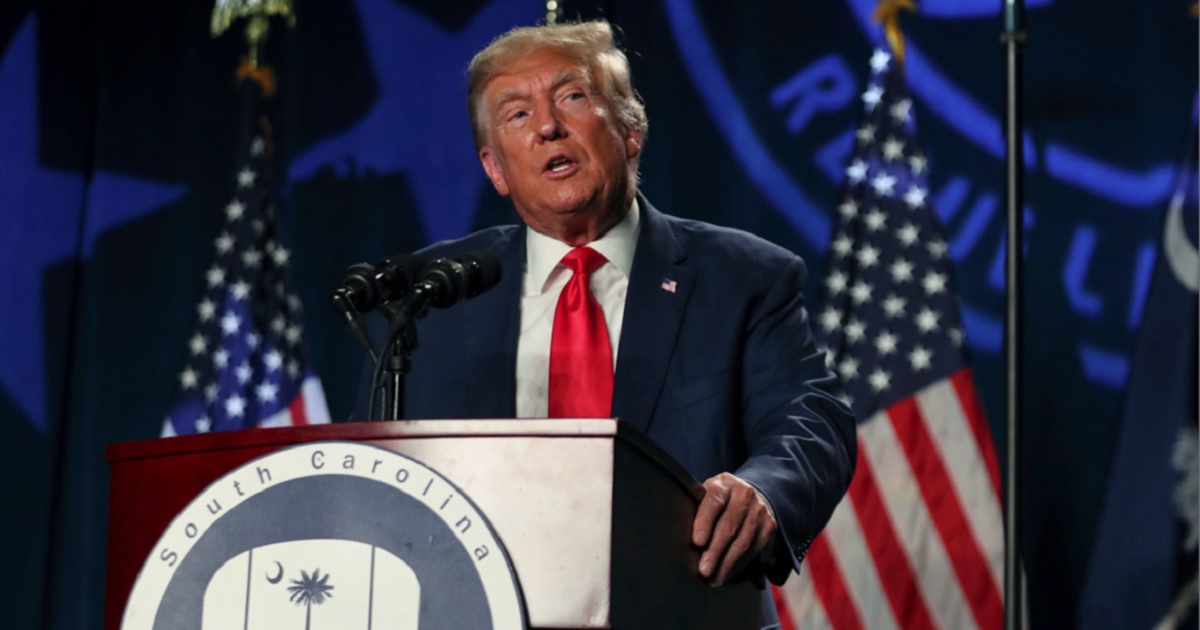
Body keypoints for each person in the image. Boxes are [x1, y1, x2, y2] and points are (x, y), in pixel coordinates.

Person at [366, 20, 856, 628]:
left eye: (571, 97)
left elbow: (811, 423)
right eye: (517, 115)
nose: (547, 126)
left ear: (631, 130)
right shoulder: (436, 297)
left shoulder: (742, 278)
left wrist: (764, 491)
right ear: (494, 169)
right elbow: (391, 480)